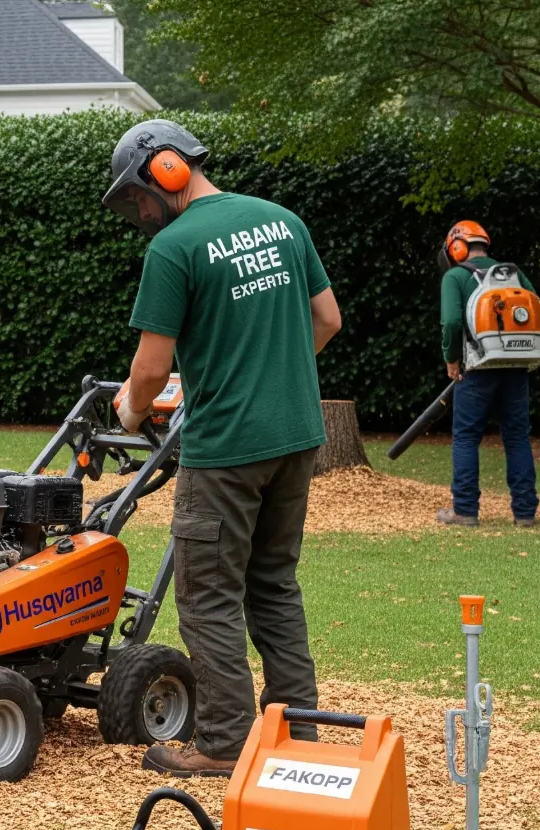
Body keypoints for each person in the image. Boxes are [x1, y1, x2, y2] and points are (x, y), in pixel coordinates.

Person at [103, 120, 343, 778]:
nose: (142, 211)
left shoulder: (175, 248)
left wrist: (129, 411)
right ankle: (296, 729)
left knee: (207, 593)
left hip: (226, 449)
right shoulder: (281, 222)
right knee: (273, 584)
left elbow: (149, 373)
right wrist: (271, 375)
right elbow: (328, 321)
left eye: (139, 196)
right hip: (296, 437)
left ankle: (224, 741)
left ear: (169, 171)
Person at [436, 221, 538, 529]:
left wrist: (451, 360)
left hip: (477, 369)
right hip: (516, 366)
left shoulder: (456, 276)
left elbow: (452, 324)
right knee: (518, 437)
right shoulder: (513, 274)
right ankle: (525, 512)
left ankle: (465, 510)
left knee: (466, 437)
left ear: (456, 247)